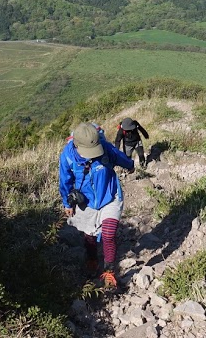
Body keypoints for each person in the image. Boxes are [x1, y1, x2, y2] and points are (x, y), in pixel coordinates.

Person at [59, 122, 134, 289]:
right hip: (86, 201)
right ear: (76, 145)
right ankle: (92, 259)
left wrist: (130, 165)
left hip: (110, 195)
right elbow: (65, 181)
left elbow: (119, 157)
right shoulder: (68, 156)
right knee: (90, 236)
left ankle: (109, 272)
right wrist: (67, 203)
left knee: (108, 234)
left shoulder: (104, 147)